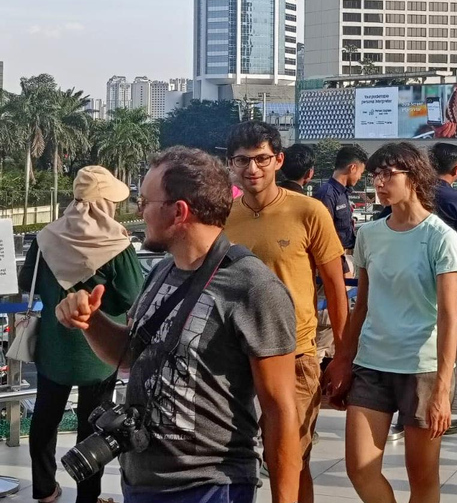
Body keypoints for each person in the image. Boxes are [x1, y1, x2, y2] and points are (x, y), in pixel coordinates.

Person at [55, 147, 302, 503]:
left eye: (145, 201)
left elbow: (280, 410)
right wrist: (90, 321)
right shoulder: (162, 272)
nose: (139, 211)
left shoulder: (253, 287)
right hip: (142, 481)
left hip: (208, 487)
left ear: (179, 211)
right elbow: (129, 358)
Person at [324, 142, 457, 503]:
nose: (379, 184)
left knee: (423, 479)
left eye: (389, 175)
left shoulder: (440, 236)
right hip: (372, 363)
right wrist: (343, 359)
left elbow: (449, 317)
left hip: (422, 369)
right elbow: (363, 304)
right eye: (375, 176)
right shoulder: (370, 234)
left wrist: (444, 389)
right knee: (359, 467)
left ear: (414, 177)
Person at [224, 121, 349, 503]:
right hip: (232, 358)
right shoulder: (223, 216)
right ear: (230, 164)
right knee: (233, 454)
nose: (252, 169)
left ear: (278, 160)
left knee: (292, 459)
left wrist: (343, 357)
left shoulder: (308, 212)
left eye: (261, 159)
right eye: (242, 160)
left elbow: (335, 287)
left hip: (293, 354)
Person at [20, 167, 143, 503]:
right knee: (96, 426)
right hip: (98, 352)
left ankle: (44, 489)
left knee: (45, 416)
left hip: (53, 346)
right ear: (104, 203)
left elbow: (26, 281)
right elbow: (134, 295)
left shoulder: (47, 236)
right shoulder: (117, 243)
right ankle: (87, 498)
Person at [379, 142, 457, 438]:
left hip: (401, 275)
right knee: (446, 331)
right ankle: (439, 406)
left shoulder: (403, 198)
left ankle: (401, 413)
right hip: (451, 272)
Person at [312, 145, 367, 274]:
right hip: (333, 261)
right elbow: (323, 235)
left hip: (345, 256)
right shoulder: (327, 194)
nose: (359, 177)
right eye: (361, 173)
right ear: (352, 168)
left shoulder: (343, 193)